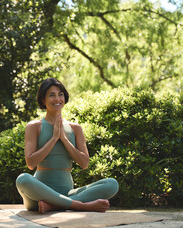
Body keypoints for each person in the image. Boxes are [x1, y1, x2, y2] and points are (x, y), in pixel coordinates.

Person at [16, 78, 119, 214]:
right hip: (39, 193)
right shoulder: (34, 126)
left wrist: (64, 138)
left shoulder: (75, 128)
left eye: (60, 94)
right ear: (43, 100)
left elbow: (84, 163)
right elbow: (31, 163)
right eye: (51, 95)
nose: (57, 99)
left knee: (112, 184)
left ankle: (55, 205)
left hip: (68, 192)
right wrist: (53, 138)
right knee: (23, 179)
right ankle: (79, 205)